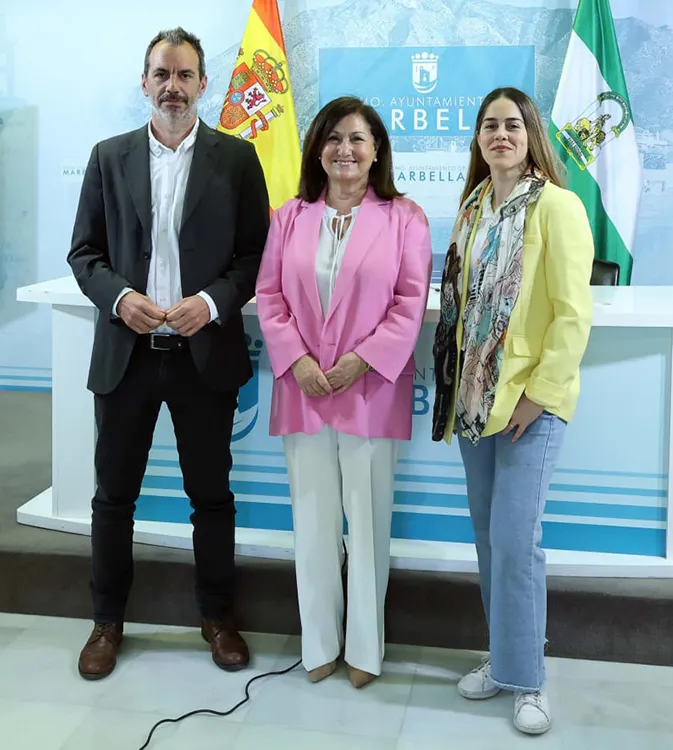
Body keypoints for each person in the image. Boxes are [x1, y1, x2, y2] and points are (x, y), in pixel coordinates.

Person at [66, 27, 271, 680]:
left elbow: (253, 258)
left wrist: (209, 304)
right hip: (126, 355)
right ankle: (107, 622)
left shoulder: (237, 161)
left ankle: (217, 617)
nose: (173, 87)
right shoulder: (107, 157)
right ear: (144, 82)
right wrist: (120, 298)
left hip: (201, 356)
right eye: (162, 74)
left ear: (204, 84)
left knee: (211, 496)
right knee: (112, 497)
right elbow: (84, 254)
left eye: (185, 75)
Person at [429, 87, 594, 735]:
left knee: (517, 541)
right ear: (478, 139)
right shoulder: (472, 209)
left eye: (512, 125)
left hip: (532, 404)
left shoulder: (557, 207)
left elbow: (573, 314)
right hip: (477, 402)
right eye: (490, 126)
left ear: (530, 136)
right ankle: (502, 660)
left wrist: (538, 394)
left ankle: (528, 680)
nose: (501, 134)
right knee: (488, 538)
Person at [256, 97, 432, 689]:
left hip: (370, 390)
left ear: (376, 148)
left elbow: (410, 304)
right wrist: (298, 361)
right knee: (312, 522)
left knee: (368, 520)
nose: (345, 150)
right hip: (303, 390)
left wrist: (361, 360)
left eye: (357, 138)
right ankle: (320, 645)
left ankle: (364, 649)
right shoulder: (289, 217)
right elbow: (270, 297)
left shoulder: (405, 217)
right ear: (317, 150)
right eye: (333, 138)